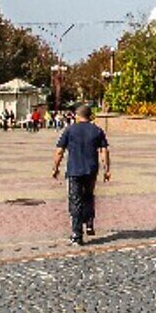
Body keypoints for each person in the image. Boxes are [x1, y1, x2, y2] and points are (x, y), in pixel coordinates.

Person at [52, 104, 111, 245]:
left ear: (77, 116)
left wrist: (55, 167)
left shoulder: (70, 130)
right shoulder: (97, 130)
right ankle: (89, 221)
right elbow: (104, 151)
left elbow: (59, 150)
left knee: (75, 200)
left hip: (74, 170)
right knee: (89, 195)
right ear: (90, 116)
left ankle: (77, 234)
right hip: (91, 170)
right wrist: (106, 169)